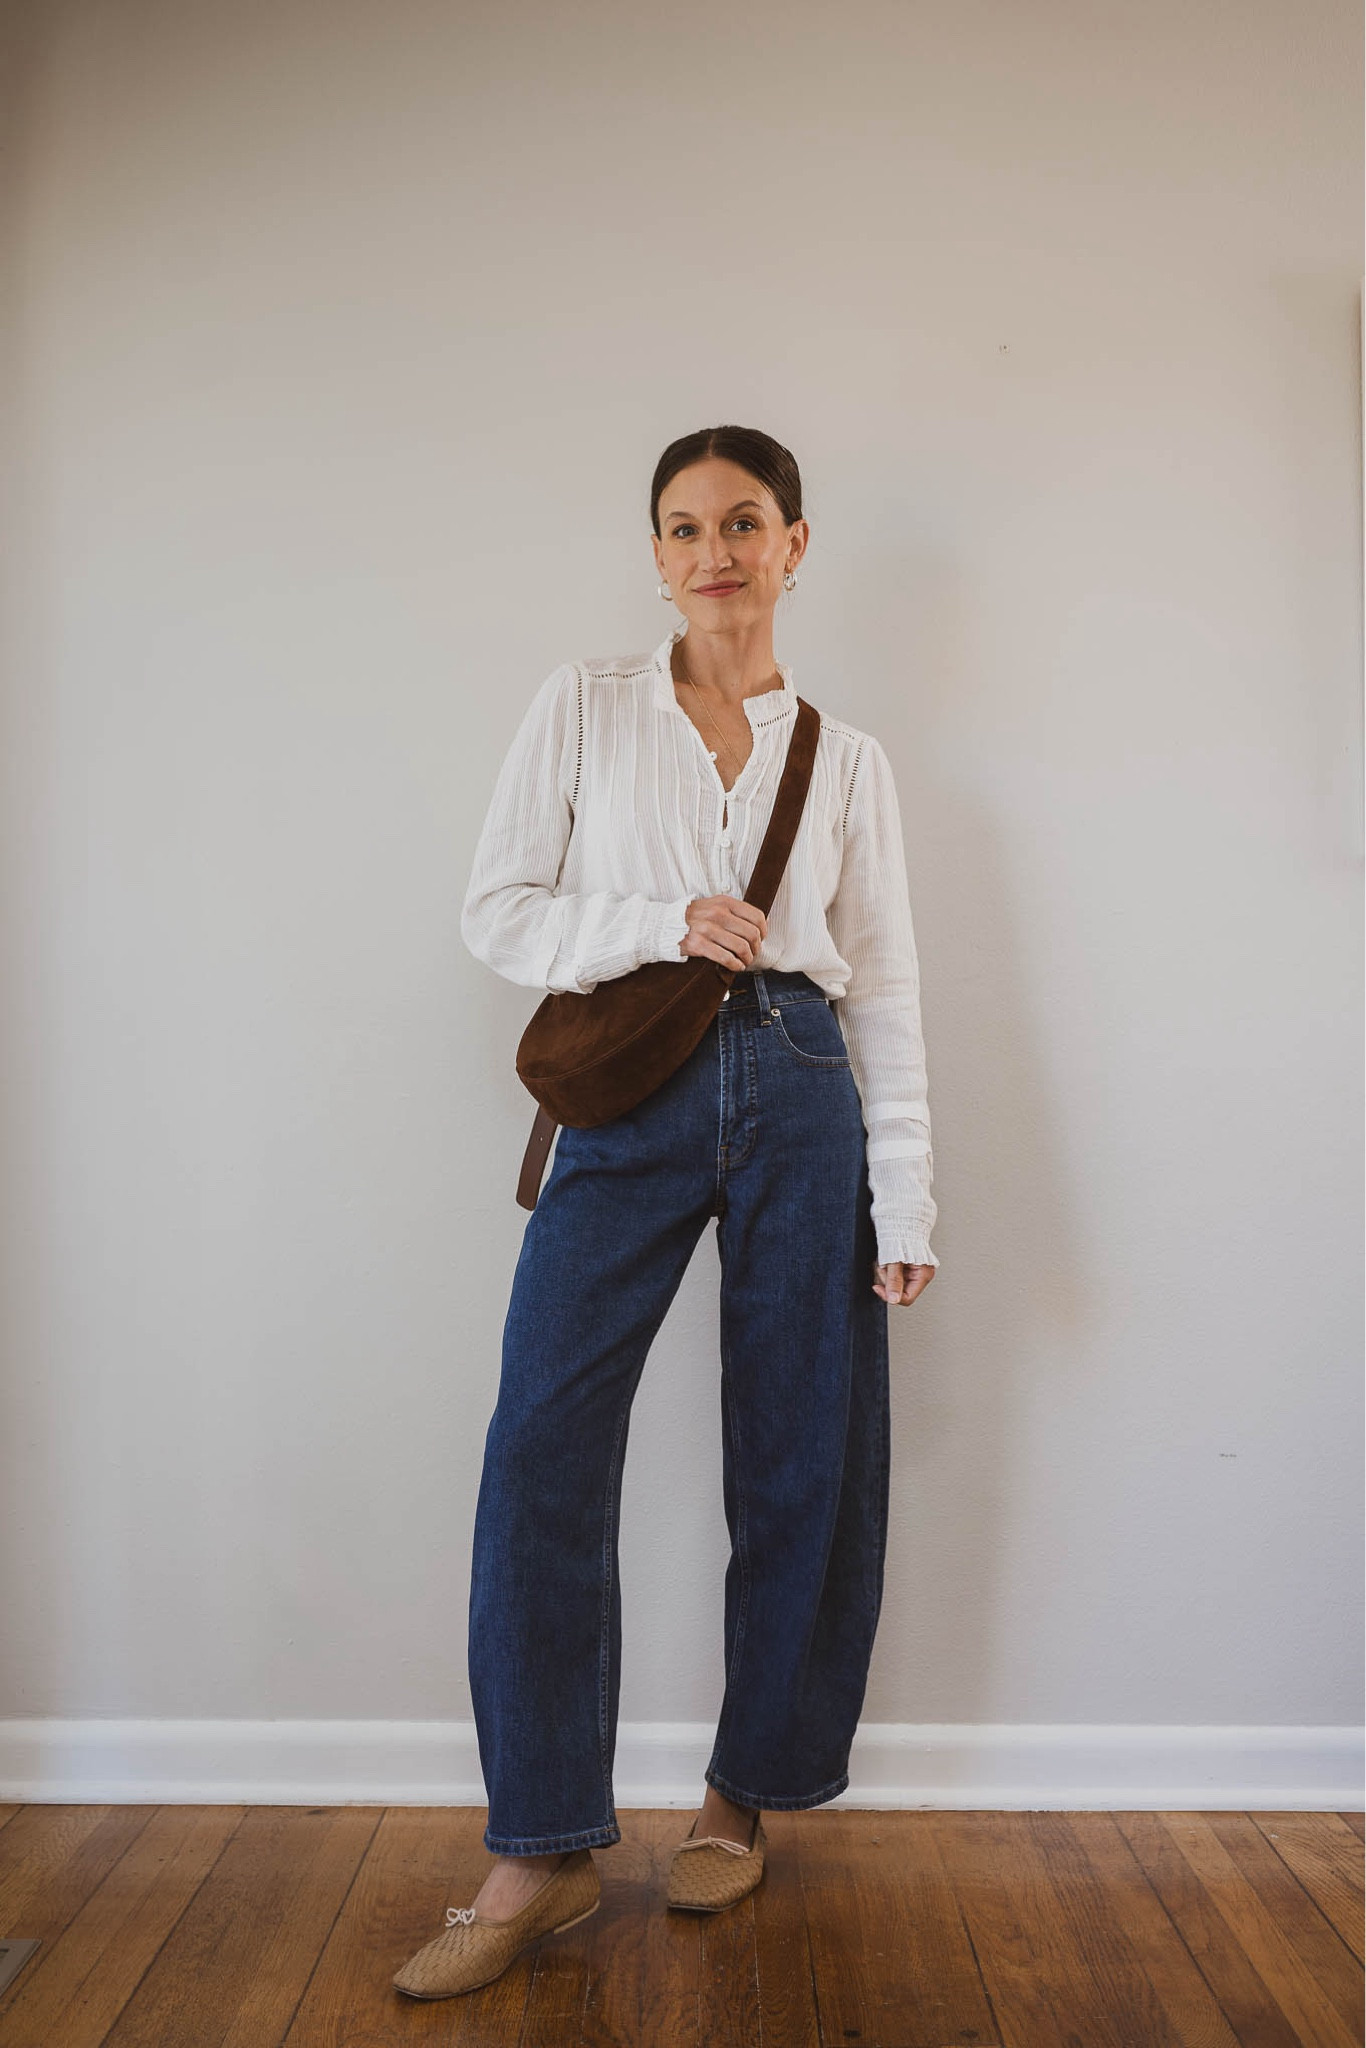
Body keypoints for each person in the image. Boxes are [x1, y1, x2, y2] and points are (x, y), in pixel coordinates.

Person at [394, 423, 938, 2002]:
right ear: (654, 554)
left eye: (744, 522)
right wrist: (657, 918)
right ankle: (543, 1846)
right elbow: (498, 907)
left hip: (802, 1077)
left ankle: (739, 1795)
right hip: (628, 1092)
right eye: (685, 526)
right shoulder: (585, 703)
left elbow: (887, 981)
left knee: (799, 1455)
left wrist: (904, 1187)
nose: (715, 550)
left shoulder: (845, 754)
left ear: (794, 545)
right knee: (542, 1444)